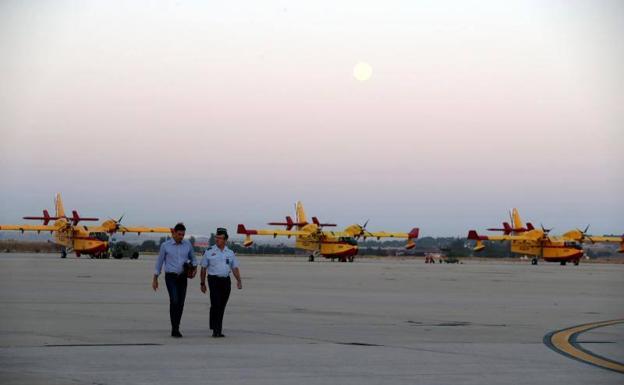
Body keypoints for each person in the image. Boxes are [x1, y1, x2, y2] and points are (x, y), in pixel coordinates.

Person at [152, 223, 197, 338]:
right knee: (175, 300)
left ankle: (177, 326)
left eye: (183, 234)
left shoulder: (187, 245)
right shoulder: (165, 246)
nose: (181, 236)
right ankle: (174, 328)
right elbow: (159, 262)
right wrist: (155, 279)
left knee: (181, 303)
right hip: (170, 277)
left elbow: (194, 258)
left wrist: (194, 267)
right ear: (174, 233)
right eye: (179, 234)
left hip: (182, 277)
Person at [200, 227, 242, 337]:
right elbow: (203, 268)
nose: (217, 239)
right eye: (216, 237)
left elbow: (234, 268)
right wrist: (202, 283)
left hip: (226, 281)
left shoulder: (230, 253)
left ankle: (216, 326)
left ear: (225, 240)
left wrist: (239, 280)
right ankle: (216, 330)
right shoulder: (209, 251)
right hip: (213, 280)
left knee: (221, 305)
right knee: (216, 304)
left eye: (220, 238)